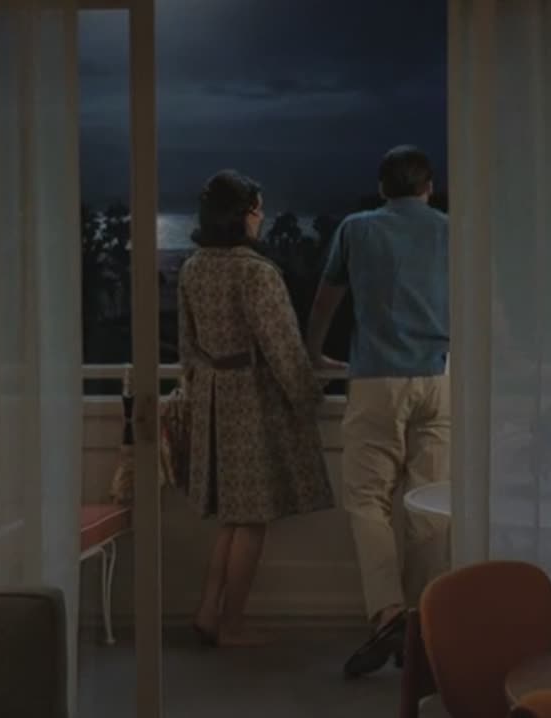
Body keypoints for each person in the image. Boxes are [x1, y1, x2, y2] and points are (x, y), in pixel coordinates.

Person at [306, 145, 450, 677]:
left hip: (375, 379)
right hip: (439, 377)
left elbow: (326, 300)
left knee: (368, 498)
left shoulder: (357, 229)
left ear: (383, 187)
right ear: (428, 187)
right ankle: (427, 622)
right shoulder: (450, 231)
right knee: (430, 501)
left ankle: (389, 613)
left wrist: (314, 351)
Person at [180, 169, 334, 647]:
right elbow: (283, 346)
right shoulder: (256, 272)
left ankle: (208, 611)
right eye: (256, 209)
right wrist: (308, 397)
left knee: (233, 517)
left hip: (213, 399)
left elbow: (187, 348)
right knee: (251, 520)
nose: (261, 217)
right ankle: (231, 625)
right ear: (240, 215)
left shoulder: (193, 267)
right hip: (250, 402)